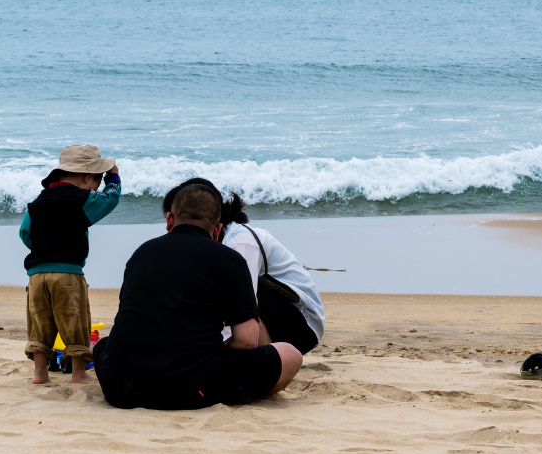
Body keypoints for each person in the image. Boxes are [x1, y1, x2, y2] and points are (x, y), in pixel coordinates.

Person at [93, 182, 302, 410]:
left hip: (118, 387)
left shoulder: (141, 253)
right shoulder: (230, 260)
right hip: (189, 389)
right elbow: (246, 340)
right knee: (290, 355)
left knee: (105, 344)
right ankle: (242, 394)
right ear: (216, 229)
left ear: (170, 220)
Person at [160, 179, 325, 355]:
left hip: (302, 321)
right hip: (268, 308)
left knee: (235, 302)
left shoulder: (240, 242)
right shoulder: (206, 243)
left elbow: (244, 302)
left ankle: (263, 363)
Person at [19, 145, 121, 384]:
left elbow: (25, 233)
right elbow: (110, 200)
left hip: (36, 275)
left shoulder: (37, 202)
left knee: (40, 324)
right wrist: (113, 177)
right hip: (68, 274)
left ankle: (40, 373)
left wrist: (45, 248)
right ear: (87, 178)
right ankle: (78, 373)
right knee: (76, 323)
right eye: (96, 182)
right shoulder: (83, 199)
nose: (95, 189)